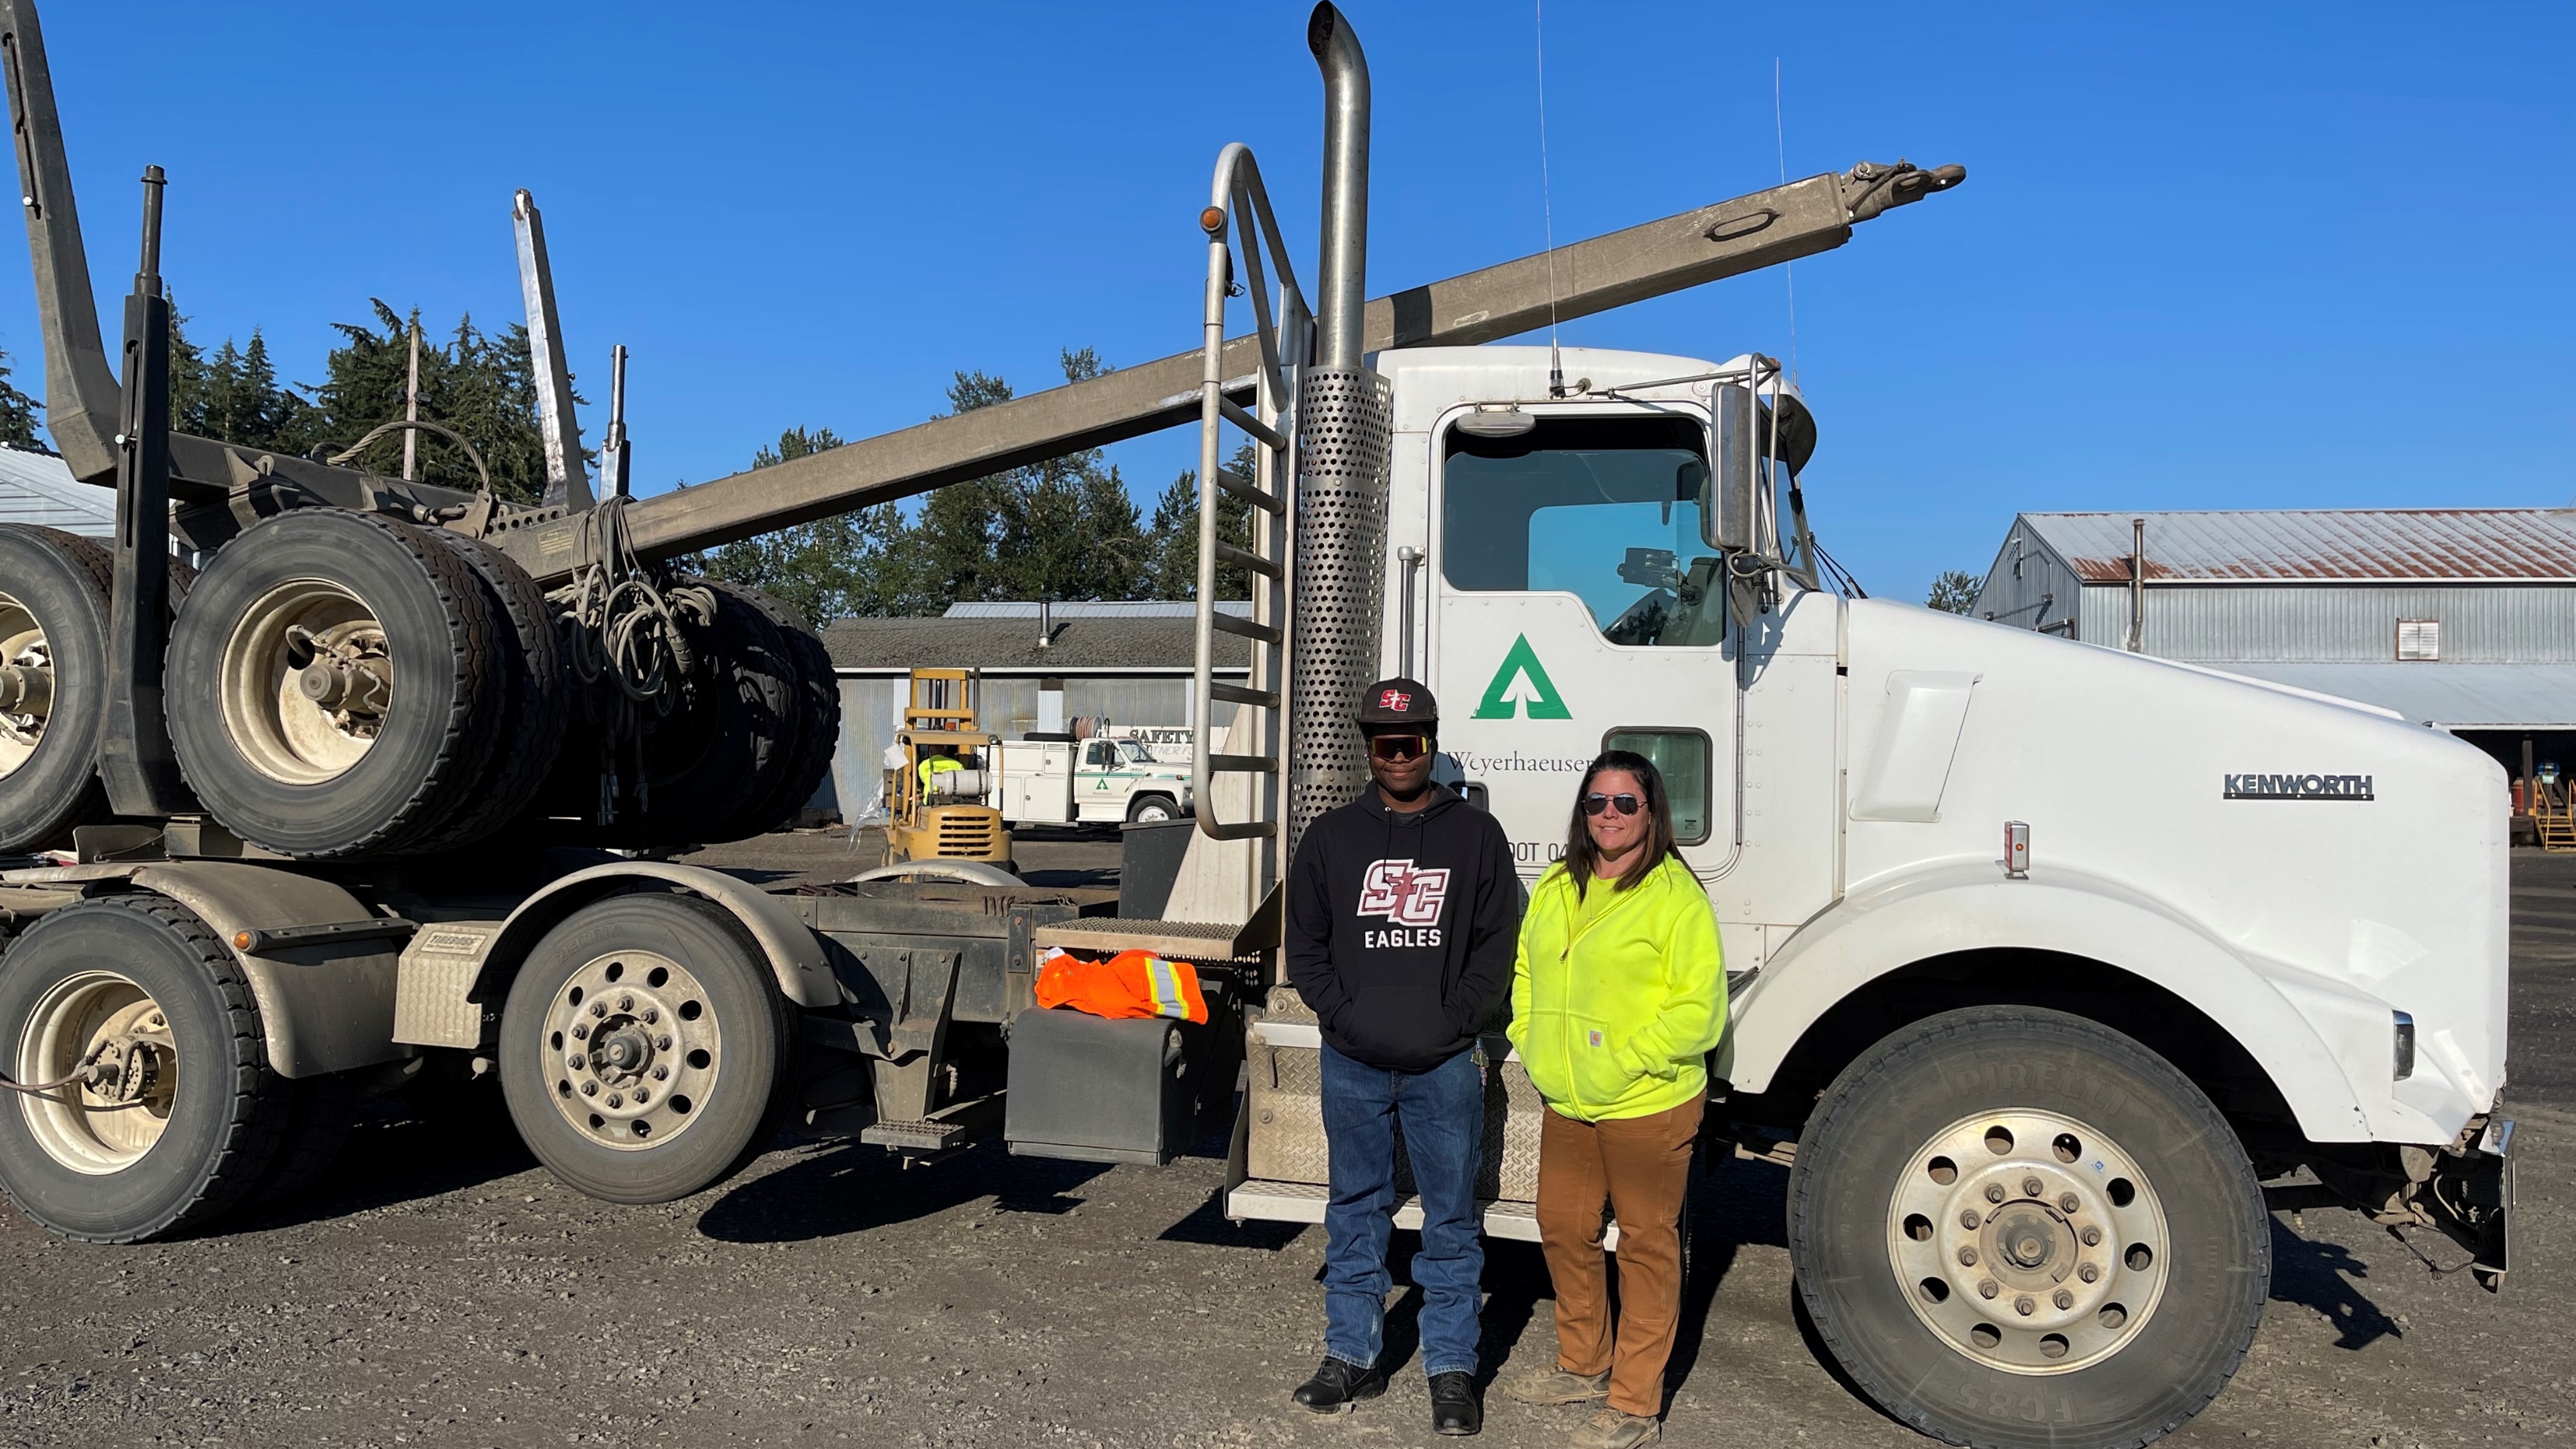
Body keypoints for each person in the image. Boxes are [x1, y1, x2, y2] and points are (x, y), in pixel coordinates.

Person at [1284, 678, 1519, 1437]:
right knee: (1356, 1211)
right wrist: (1344, 1017)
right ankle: (1350, 1353)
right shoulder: (1329, 837)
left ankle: (1451, 1370)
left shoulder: (1475, 835)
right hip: (1352, 1060)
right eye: (1385, 742)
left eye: (1413, 740)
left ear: (1431, 742)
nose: (1398, 754)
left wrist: (1457, 1021)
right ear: (1367, 747)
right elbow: (1306, 949)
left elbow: (1495, 948)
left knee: (1451, 1222)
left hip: (1445, 1064)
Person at [1502, 751, 1724, 1449]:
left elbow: (1698, 1013)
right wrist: (1529, 1038)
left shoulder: (1674, 898)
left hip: (1646, 1103)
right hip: (1568, 1099)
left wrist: (1624, 1061)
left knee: (1645, 1247)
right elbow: (1525, 971)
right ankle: (1583, 1363)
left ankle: (1633, 1404)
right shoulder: (1557, 887)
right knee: (1563, 1227)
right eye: (1595, 802)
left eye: (1624, 803)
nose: (1608, 815)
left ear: (1651, 813)